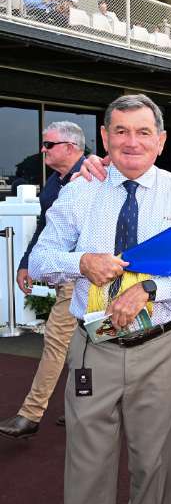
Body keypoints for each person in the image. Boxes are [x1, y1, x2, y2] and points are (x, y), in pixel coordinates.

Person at [28, 94, 171, 504]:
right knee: (87, 465)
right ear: (104, 136)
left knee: (157, 466)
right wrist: (81, 262)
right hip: (94, 347)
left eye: (143, 132)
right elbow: (40, 261)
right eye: (121, 131)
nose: (132, 142)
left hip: (163, 347)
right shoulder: (79, 192)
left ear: (161, 141)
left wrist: (150, 290)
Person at [0, 122, 86, 440]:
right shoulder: (53, 184)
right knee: (81, 346)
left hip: (85, 274)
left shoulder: (95, 177)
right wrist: (26, 264)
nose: (43, 150)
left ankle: (31, 414)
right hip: (65, 272)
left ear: (71, 147)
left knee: (56, 338)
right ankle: (83, 405)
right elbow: (43, 227)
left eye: (49, 144)